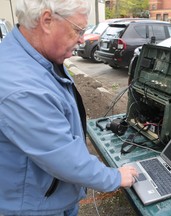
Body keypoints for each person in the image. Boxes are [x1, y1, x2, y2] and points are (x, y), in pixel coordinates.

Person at [0, 0, 138, 215]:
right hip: (35, 207)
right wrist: (115, 177)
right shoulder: (23, 88)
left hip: (47, 194)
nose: (82, 39)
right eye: (77, 30)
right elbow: (64, 159)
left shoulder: (34, 58)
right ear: (47, 20)